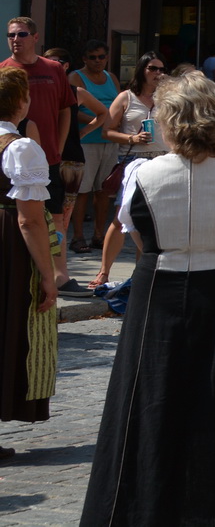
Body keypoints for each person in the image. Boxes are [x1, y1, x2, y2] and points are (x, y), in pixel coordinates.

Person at [80, 72, 215, 525]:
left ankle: (143, 510)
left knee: (151, 401)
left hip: (159, 292)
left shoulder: (142, 173)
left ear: (168, 121)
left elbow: (134, 233)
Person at [0, 67, 56, 450]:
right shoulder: (19, 146)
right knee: (9, 325)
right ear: (21, 102)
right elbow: (29, 220)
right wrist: (48, 275)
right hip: (7, 245)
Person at [2, 18, 79, 295]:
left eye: (22, 34)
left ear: (35, 37)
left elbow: (65, 109)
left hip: (48, 157)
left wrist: (55, 148)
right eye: (11, 35)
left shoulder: (53, 68)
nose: (15, 39)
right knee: (25, 215)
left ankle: (61, 275)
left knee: (56, 217)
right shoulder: (4, 70)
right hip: (13, 152)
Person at [91, 53, 169, 290]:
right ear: (141, 70)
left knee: (151, 220)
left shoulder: (167, 98)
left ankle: (142, 274)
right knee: (121, 217)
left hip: (162, 162)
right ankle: (104, 272)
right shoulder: (126, 97)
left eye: (161, 69)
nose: (157, 73)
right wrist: (132, 137)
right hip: (134, 160)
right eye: (153, 68)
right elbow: (107, 131)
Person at [67, 40, 118, 254]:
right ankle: (78, 237)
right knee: (82, 191)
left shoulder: (111, 77)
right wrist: (95, 120)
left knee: (104, 190)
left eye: (101, 57)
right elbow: (70, 109)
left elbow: (118, 104)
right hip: (87, 140)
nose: (98, 61)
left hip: (110, 140)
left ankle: (99, 234)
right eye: (93, 57)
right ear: (84, 59)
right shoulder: (76, 77)